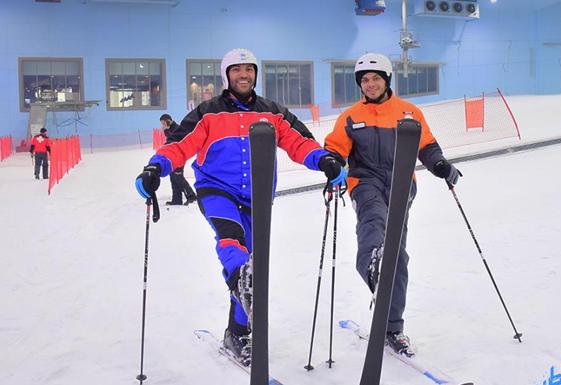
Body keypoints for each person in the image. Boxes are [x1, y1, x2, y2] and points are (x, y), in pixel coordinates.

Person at [135, 48, 346, 367]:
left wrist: (324, 160)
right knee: (232, 243)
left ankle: (237, 332)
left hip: (259, 198)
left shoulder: (273, 112)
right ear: (226, 75)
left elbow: (300, 142)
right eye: (237, 70)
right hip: (217, 190)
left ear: (256, 75)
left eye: (249, 69)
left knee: (251, 268)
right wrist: (155, 168)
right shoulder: (207, 112)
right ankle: (241, 278)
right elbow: (179, 145)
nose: (243, 75)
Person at [323, 53, 461, 357]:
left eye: (376, 78)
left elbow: (427, 145)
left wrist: (439, 164)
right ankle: (374, 267)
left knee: (397, 256)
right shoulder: (350, 116)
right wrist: (332, 163)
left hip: (402, 185)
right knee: (373, 227)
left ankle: (392, 328)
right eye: (365, 80)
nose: (370, 84)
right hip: (365, 182)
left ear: (387, 80)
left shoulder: (408, 112)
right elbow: (335, 148)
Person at [159, 113, 197, 206]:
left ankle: (191, 196)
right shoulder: (168, 130)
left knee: (178, 176)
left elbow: (176, 142)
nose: (163, 125)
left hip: (180, 156)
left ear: (168, 121)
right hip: (173, 156)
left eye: (164, 123)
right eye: (161, 124)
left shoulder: (177, 129)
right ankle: (176, 199)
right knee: (173, 177)